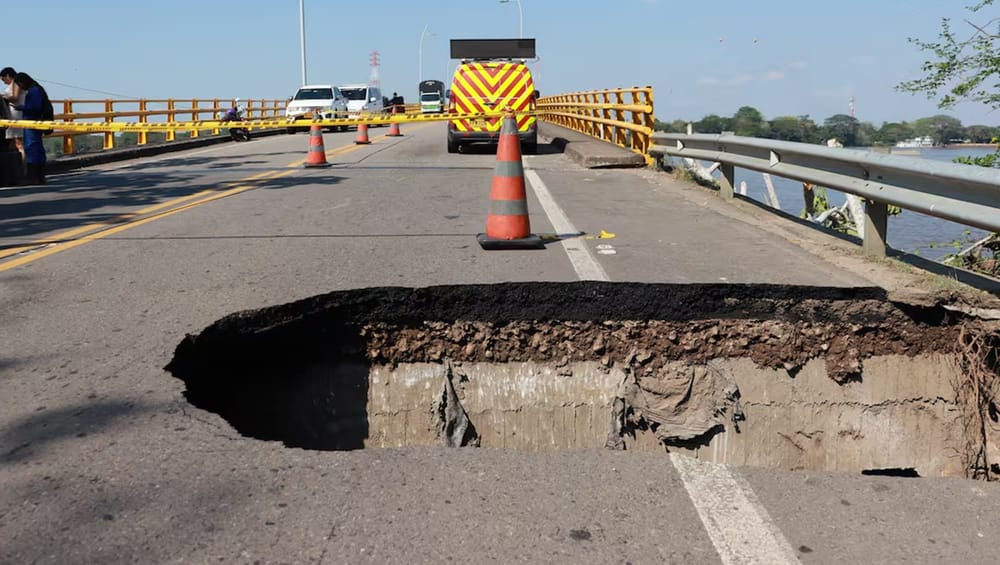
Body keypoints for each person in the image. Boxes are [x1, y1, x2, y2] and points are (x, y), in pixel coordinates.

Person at [12, 72, 49, 184]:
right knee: (36, 148)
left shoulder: (34, 91)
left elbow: (35, 107)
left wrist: (21, 107)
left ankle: (33, 177)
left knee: (32, 148)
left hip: (32, 123)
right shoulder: (36, 89)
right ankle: (39, 176)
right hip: (34, 123)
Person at [1, 67, 25, 162]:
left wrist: (3, 96)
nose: (4, 82)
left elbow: (15, 97)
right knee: (12, 143)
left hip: (16, 114)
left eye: (4, 80)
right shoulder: (16, 83)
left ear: (8, 76)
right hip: (13, 114)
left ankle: (23, 165)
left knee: (18, 143)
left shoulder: (16, 83)